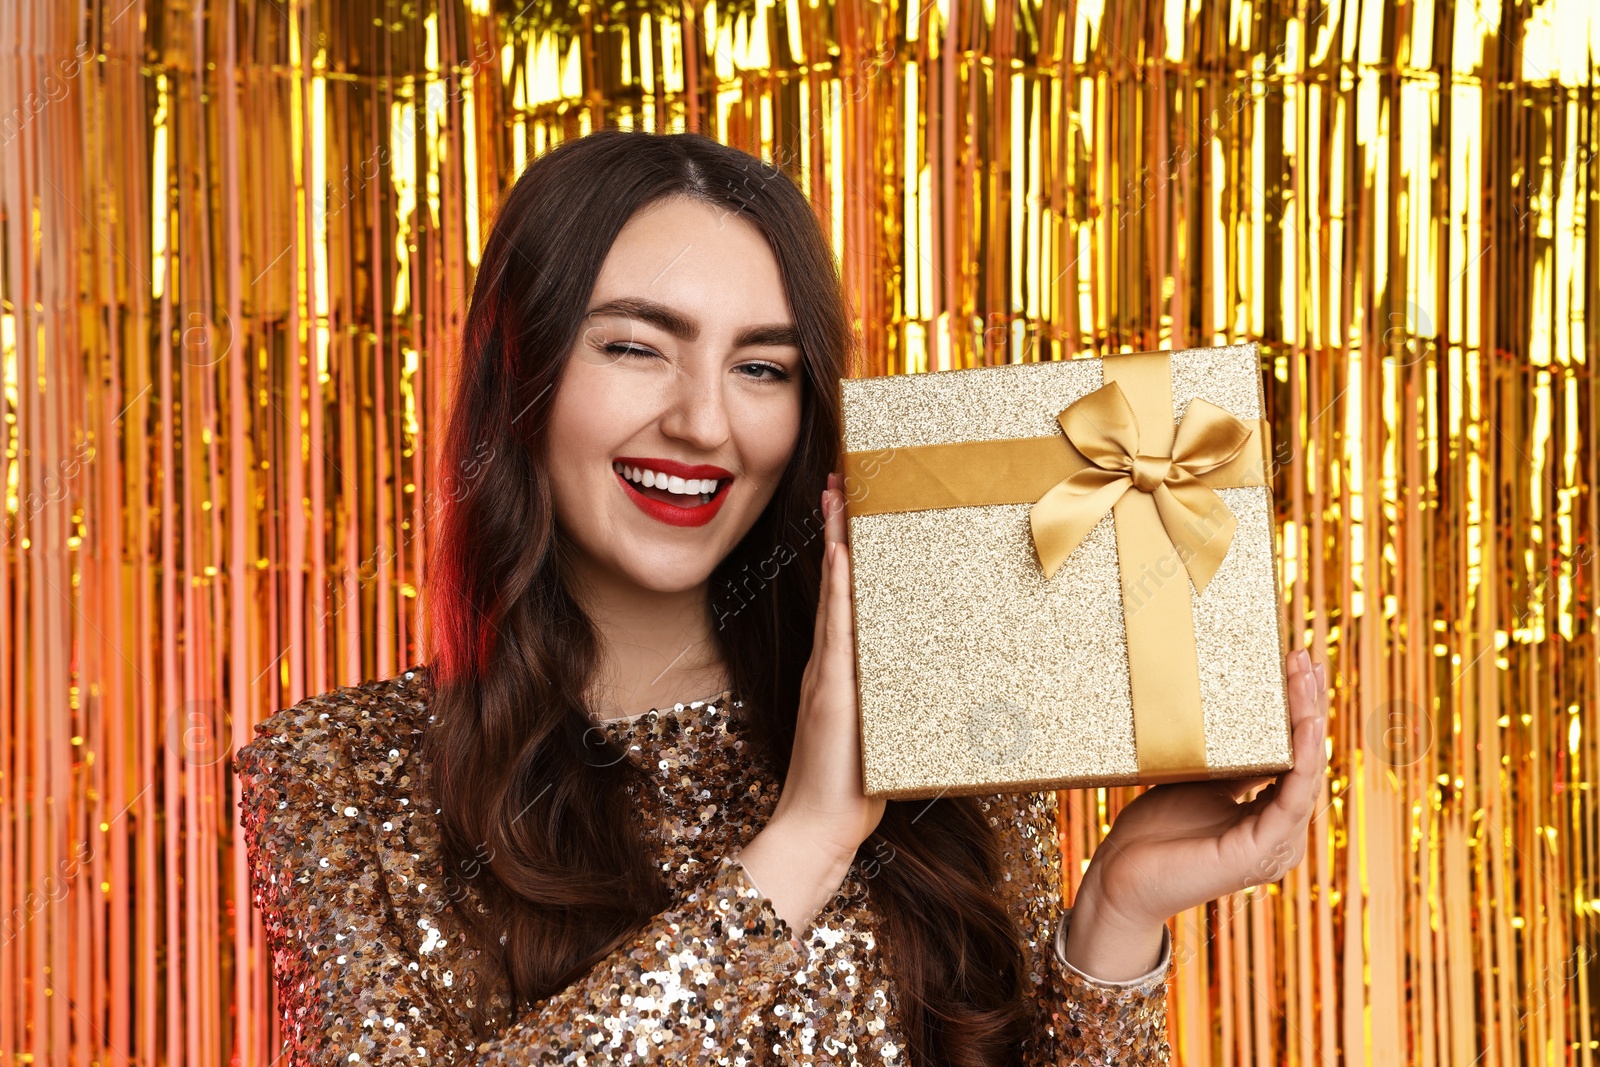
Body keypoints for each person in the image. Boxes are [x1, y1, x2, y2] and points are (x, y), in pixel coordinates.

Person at [232, 128, 1330, 1066]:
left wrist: (1119, 913)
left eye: (762, 367)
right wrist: (801, 843)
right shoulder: (335, 777)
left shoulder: (939, 698)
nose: (705, 423)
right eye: (634, 346)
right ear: (517, 373)